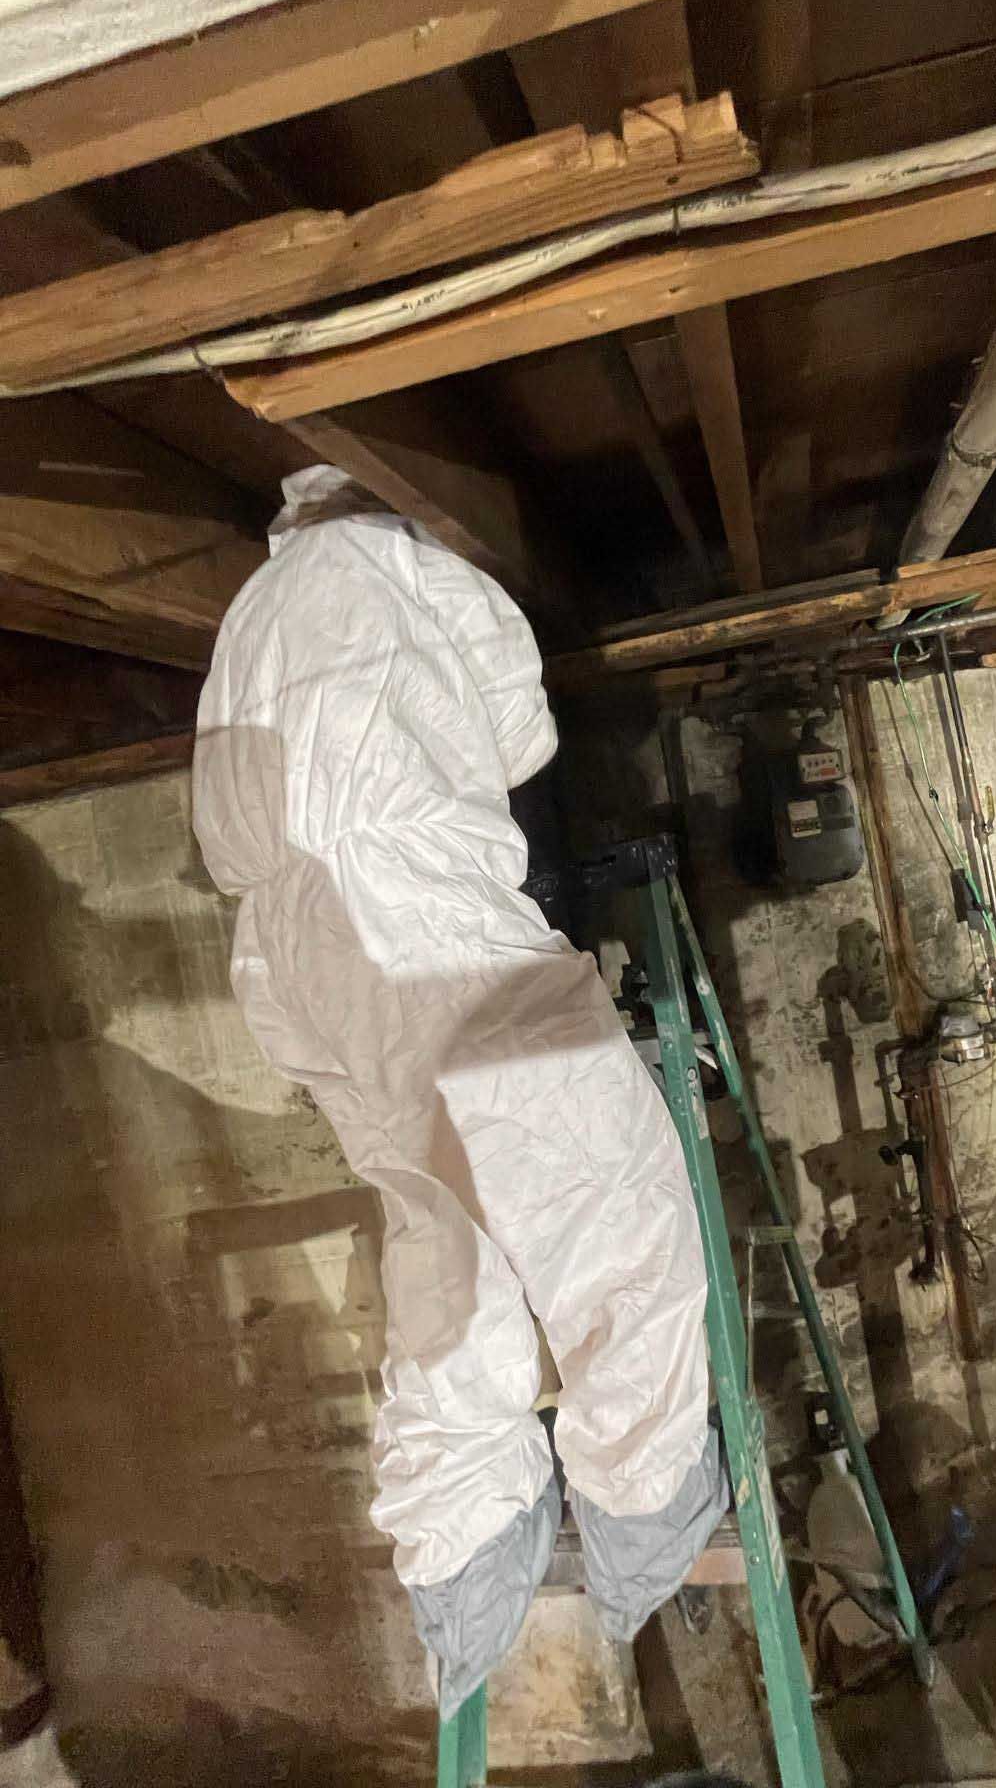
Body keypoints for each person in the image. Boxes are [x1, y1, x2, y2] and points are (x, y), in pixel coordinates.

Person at [192, 467, 725, 1713]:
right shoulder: (406, 563)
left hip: (286, 955)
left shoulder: (246, 619)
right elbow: (522, 736)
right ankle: (646, 1512)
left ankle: (466, 1560)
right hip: (409, 911)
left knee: (448, 1231)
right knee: (614, 1205)